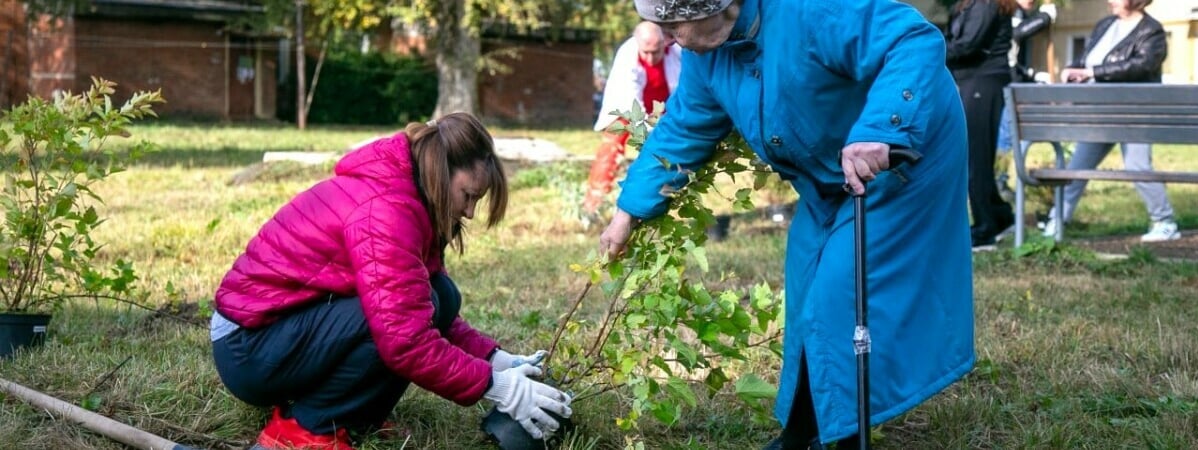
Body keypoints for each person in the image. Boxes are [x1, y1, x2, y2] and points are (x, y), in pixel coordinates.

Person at [601, 1, 974, 449]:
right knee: (806, 283)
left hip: (901, 154)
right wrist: (627, 214)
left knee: (840, 289)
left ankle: (835, 434)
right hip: (829, 174)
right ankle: (803, 432)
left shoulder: (811, 10)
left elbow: (913, 39)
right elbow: (683, 131)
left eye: (673, 24)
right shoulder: (707, 59)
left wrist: (884, 128)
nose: (665, 38)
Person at [210, 112, 572, 450]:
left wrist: (497, 360)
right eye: (469, 195)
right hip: (248, 347)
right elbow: (406, 339)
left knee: (438, 297)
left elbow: (419, 305)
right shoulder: (386, 211)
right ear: (442, 171)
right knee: (392, 323)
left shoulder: (412, 196)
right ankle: (305, 430)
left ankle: (353, 418)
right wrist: (498, 387)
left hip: (279, 334)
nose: (470, 212)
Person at [1044, 0, 1180, 242]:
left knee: (1137, 168)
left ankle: (1164, 222)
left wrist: (1093, 73)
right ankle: (1058, 220)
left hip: (1134, 115)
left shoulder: (1152, 31)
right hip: (1101, 113)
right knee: (1077, 168)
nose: (1110, 0)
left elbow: (1141, 65)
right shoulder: (1105, 24)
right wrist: (1072, 68)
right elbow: (1087, 58)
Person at [583, 21, 682, 215]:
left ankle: (663, 199)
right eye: (646, 52)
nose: (651, 58)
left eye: (656, 51)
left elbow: (683, 90)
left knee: (670, 152)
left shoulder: (677, 52)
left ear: (664, 43)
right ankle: (594, 204)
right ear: (638, 44)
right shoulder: (628, 54)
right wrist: (649, 134)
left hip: (664, 108)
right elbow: (632, 102)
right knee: (611, 149)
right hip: (627, 109)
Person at [946, 0, 1019, 250]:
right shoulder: (971, 4)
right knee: (978, 155)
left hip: (982, 81)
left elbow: (968, 45)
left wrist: (931, 51)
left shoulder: (986, 4)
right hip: (976, 80)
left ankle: (984, 227)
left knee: (975, 156)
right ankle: (999, 216)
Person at [994, 0, 1056, 195]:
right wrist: (1043, 18)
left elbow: (1013, 57)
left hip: (1009, 78)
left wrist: (1031, 74)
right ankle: (999, 180)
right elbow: (1015, 35)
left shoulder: (1019, 12)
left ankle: (999, 179)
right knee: (1004, 135)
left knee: (1007, 134)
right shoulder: (1009, 10)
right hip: (1000, 82)